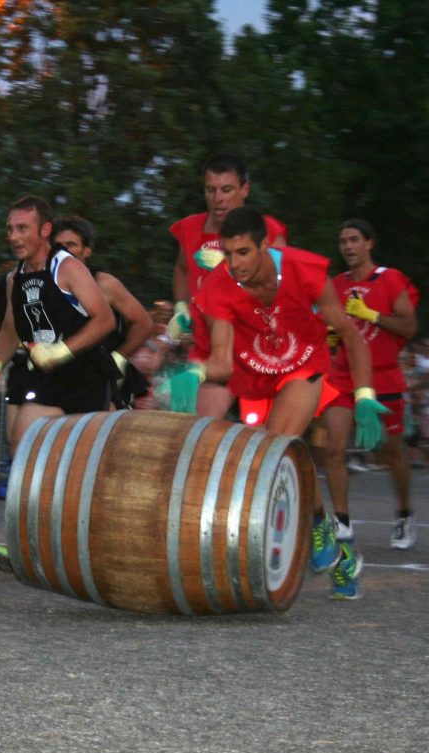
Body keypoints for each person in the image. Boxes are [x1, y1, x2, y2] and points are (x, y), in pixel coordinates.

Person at [193, 206, 389, 600]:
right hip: (253, 374)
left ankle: (316, 532)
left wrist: (365, 395)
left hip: (303, 367)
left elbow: (351, 336)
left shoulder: (305, 271)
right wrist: (194, 374)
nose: (234, 263)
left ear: (265, 245)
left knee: (276, 444)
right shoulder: (219, 285)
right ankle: (334, 543)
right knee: (253, 452)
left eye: (243, 252)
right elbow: (221, 358)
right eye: (228, 254)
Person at [0, 197, 117, 448]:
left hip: (85, 377)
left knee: (80, 461)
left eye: (22, 228)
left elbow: (106, 320)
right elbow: (10, 328)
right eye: (10, 229)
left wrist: (61, 351)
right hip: (46, 377)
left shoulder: (67, 267)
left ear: (45, 230)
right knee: (22, 444)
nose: (13, 236)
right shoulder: (15, 278)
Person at [317, 219, 420, 550]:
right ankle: (343, 523)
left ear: (369, 243)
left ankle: (404, 516)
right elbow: (324, 327)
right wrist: (330, 336)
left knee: (391, 453)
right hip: (344, 377)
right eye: (343, 241)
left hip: (383, 375)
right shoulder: (336, 283)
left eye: (354, 240)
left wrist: (371, 314)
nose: (348, 247)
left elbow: (409, 327)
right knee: (334, 449)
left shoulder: (390, 279)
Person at [168, 155, 288, 416]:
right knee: (195, 434)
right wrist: (181, 307)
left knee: (264, 445)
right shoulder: (190, 228)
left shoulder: (266, 230)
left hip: (256, 350)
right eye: (211, 190)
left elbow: (280, 287)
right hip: (209, 353)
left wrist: (228, 268)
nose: (218, 198)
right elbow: (180, 269)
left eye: (227, 189)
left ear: (244, 189)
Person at [50, 214, 154, 408]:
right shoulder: (43, 285)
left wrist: (119, 356)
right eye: (58, 245)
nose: (64, 251)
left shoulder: (103, 283)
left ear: (86, 250)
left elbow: (144, 323)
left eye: (71, 245)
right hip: (56, 376)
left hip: (98, 379)